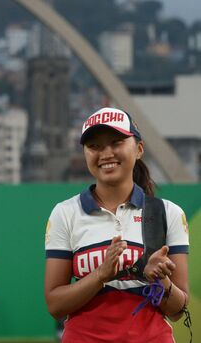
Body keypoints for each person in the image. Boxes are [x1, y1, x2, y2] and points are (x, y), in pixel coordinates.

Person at [44, 107, 190, 342]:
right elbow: (55, 304)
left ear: (139, 149)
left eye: (116, 142)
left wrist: (158, 279)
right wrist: (100, 275)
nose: (106, 153)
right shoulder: (66, 213)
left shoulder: (167, 213)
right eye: (95, 146)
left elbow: (178, 310)